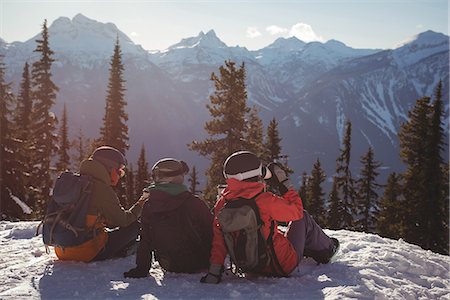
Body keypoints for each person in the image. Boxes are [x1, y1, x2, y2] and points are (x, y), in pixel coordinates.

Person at [200, 151, 339, 283]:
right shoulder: (264, 200)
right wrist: (284, 183)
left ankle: (309, 247)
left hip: (250, 267)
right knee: (304, 218)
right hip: (282, 265)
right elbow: (297, 212)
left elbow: (219, 241)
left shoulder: (222, 204)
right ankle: (327, 249)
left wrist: (214, 272)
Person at [53, 146, 148, 262]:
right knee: (134, 226)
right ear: (109, 169)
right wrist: (141, 202)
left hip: (61, 250)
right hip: (86, 253)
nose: (120, 175)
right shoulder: (102, 189)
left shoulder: (76, 183)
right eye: (119, 171)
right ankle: (124, 250)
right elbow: (123, 220)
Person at [124, 158, 213, 278]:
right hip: (200, 262)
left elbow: (145, 240)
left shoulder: (149, 204)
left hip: (169, 264)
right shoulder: (194, 203)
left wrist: (141, 268)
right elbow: (212, 232)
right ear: (178, 178)